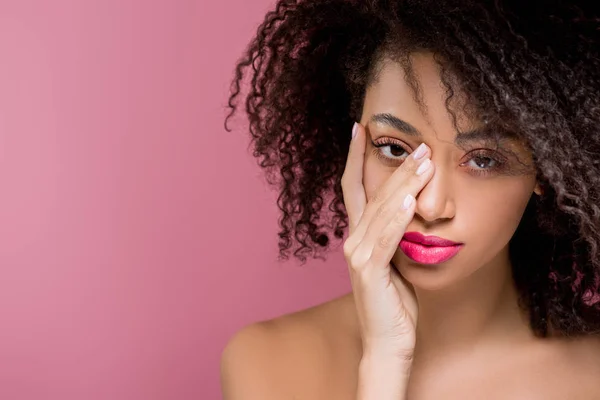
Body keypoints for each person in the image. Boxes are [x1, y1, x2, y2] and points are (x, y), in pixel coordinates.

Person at [220, 0, 600, 398]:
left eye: (484, 160)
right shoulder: (268, 363)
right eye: (396, 150)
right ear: (355, 147)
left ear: (545, 167)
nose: (430, 206)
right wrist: (384, 362)